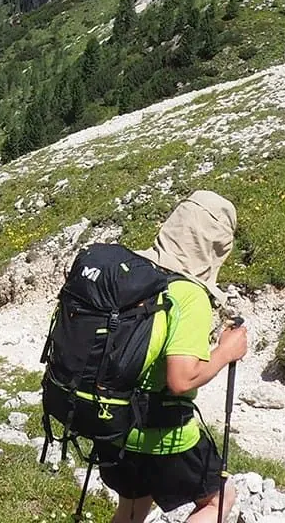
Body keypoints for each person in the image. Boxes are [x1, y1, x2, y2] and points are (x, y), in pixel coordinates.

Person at [103, 191, 249, 523]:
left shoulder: (133, 276)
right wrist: (226, 351)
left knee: (133, 504)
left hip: (113, 424)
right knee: (219, 500)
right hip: (163, 433)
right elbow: (180, 380)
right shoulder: (189, 294)